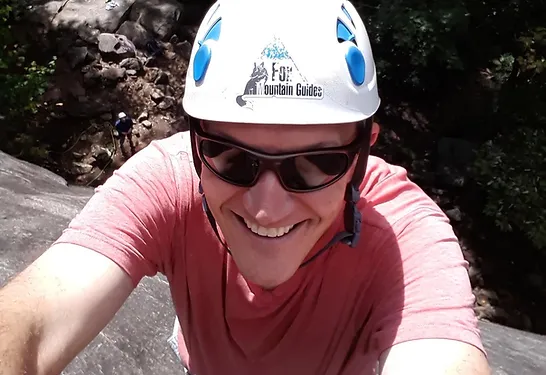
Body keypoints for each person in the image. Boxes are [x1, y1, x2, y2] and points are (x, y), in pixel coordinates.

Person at [0, 1, 491, 374]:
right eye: (231, 157)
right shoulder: (169, 179)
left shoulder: (406, 238)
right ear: (194, 146)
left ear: (364, 154)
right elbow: (34, 321)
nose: (267, 206)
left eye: (317, 164)